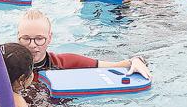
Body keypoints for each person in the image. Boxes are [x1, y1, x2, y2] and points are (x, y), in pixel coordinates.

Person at [17, 10, 151, 82]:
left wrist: (136, 61)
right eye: (26, 39)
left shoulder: (64, 62)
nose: (32, 45)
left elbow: (115, 66)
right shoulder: (10, 67)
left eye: (39, 39)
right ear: (18, 38)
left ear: (50, 38)